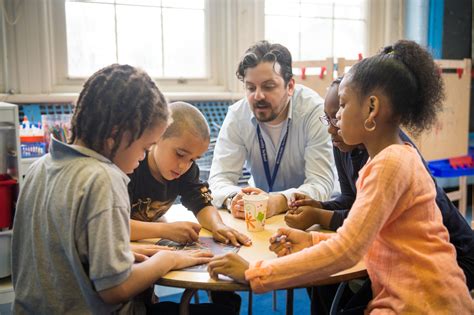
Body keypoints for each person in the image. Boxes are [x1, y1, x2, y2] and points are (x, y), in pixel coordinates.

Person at [207, 40, 474, 313]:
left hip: (424, 304)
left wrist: (255, 272)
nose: (337, 117)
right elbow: (368, 239)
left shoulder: (390, 164)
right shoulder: (384, 159)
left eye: (343, 106)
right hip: (406, 299)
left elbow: (347, 250)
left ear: (371, 109)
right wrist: (310, 240)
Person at [11, 64, 220, 314]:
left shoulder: (39, 167)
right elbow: (115, 289)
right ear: (116, 134)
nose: (143, 158)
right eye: (144, 147)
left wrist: (124, 250)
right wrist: (168, 259)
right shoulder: (105, 179)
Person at [286, 77, 474, 313]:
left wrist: (319, 216)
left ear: (369, 110)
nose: (331, 126)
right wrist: (320, 206)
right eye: (329, 116)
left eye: (340, 111)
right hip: (401, 259)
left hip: (445, 262)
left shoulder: (388, 158)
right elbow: (352, 201)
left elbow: (365, 226)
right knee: (324, 285)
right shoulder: (346, 143)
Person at [208, 40, 335, 219]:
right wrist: (233, 199)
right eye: (250, 87)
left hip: (308, 215)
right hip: (258, 211)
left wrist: (280, 201)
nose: (258, 95)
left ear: (290, 86)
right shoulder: (237, 115)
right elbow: (218, 178)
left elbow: (321, 184)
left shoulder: (315, 112)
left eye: (268, 86)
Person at [128, 101, 252, 246]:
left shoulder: (186, 169)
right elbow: (113, 226)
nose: (183, 166)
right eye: (180, 154)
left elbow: (202, 203)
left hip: (144, 241)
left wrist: (218, 225)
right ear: (157, 137)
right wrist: (164, 229)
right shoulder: (130, 166)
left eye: (193, 159)